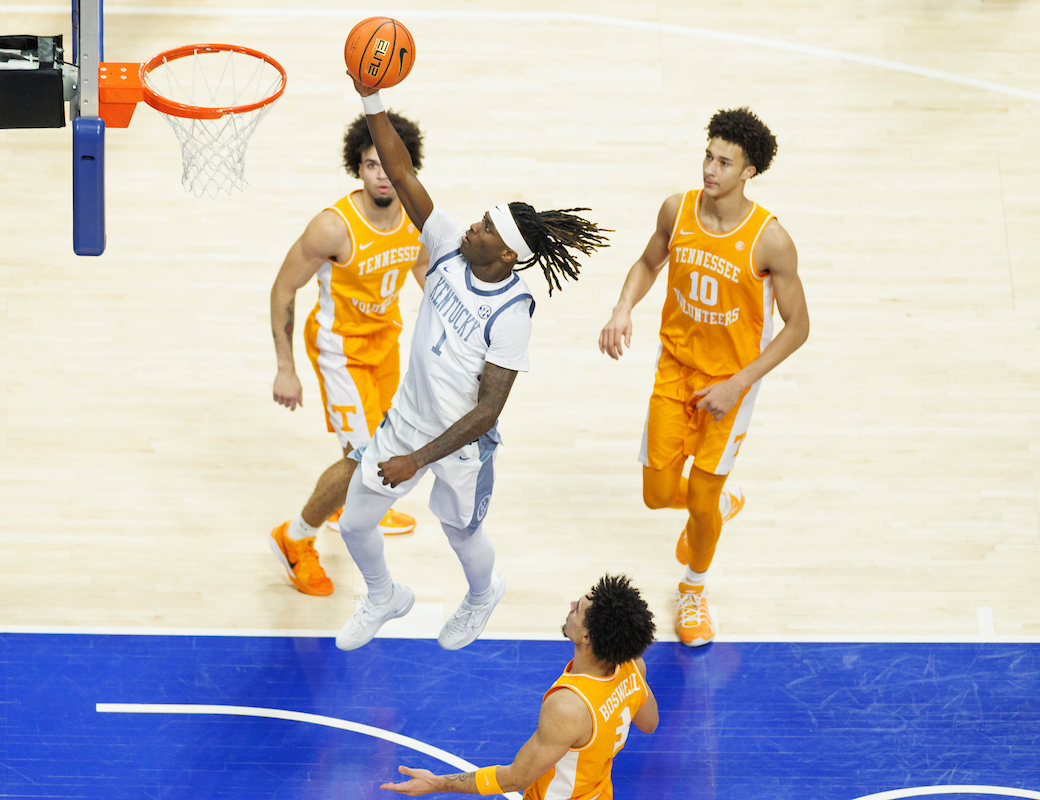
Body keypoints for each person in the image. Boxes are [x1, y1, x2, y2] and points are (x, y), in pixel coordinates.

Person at [336, 74, 610, 651]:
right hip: (406, 420)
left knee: (461, 532)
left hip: (461, 444)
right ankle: (384, 596)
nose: (472, 226)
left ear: (506, 253)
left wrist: (417, 461)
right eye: (480, 218)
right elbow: (402, 172)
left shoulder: (512, 312)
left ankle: (483, 594)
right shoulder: (445, 246)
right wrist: (370, 97)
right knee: (354, 523)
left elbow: (488, 411)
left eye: (485, 228)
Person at [598, 107, 810, 647]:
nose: (710, 170)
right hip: (675, 370)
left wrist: (739, 383)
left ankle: (693, 588)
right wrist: (623, 307)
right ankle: (718, 503)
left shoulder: (770, 240)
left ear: (749, 172)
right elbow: (647, 263)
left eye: (725, 162)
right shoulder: (677, 209)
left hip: (731, 384)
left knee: (699, 499)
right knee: (656, 494)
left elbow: (798, 327)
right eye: (708, 157)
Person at [268, 112, 431, 598]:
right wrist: (285, 368)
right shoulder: (333, 227)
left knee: (384, 447)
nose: (380, 175)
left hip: (385, 343)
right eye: (370, 165)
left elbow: (425, 272)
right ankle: (296, 537)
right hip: (339, 350)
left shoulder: (417, 216)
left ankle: (349, 502)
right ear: (356, 168)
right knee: (366, 460)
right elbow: (283, 289)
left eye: (388, 164)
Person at [381, 574, 658, 798]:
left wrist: (438, 783)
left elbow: (515, 778)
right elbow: (650, 723)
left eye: (578, 609)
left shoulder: (569, 707)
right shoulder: (633, 667)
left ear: (587, 637)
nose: (572, 604)